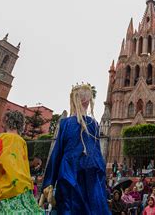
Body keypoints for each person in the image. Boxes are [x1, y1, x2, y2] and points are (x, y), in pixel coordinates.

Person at [42, 83, 109, 214]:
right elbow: (98, 155)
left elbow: (57, 153)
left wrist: (49, 181)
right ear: (85, 100)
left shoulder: (66, 123)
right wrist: (100, 177)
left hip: (69, 173)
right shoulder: (93, 124)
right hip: (90, 174)